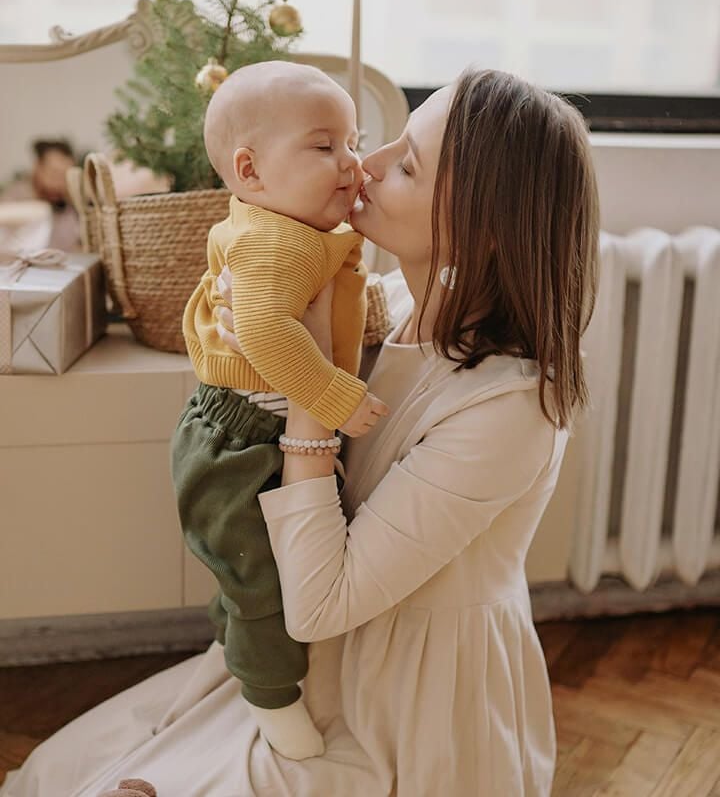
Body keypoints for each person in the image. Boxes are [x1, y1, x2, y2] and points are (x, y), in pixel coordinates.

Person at [0, 66, 599, 797]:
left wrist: (308, 386)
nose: (365, 165)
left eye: (407, 165)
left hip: (403, 697)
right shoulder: (388, 307)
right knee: (57, 773)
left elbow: (320, 604)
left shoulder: (510, 410)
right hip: (304, 654)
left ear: (485, 232)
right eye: (387, 142)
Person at [173, 61, 389, 761]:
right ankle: (270, 696)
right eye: (324, 146)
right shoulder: (276, 241)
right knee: (261, 581)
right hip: (242, 441)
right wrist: (334, 398)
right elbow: (266, 332)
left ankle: (234, 642)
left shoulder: (290, 229)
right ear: (250, 170)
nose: (350, 163)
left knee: (247, 569)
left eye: (352, 143)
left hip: (251, 426)